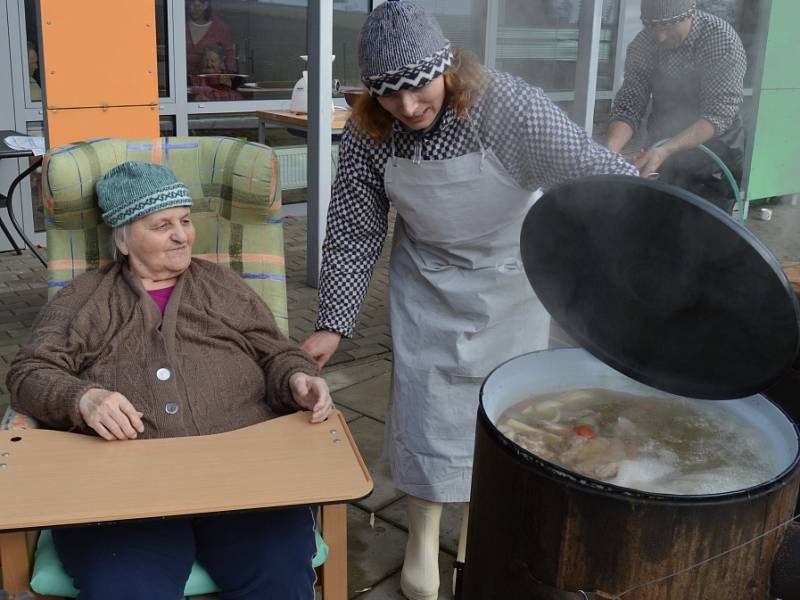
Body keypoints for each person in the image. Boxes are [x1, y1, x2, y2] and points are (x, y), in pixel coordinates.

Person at [300, 2, 637, 598]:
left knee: (508, 414)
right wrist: (333, 322)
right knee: (428, 411)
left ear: (448, 68)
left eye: (417, 88)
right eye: (388, 95)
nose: (407, 107)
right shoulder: (367, 130)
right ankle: (422, 538)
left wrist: (647, 224)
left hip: (513, 281)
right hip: (427, 281)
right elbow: (355, 228)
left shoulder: (507, 105)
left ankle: (488, 531)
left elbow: (586, 174)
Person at [7, 161, 333, 600]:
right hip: (123, 493)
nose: (182, 234)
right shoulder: (83, 299)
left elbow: (276, 352)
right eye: (162, 225)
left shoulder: (222, 285)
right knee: (127, 587)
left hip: (244, 479)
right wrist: (82, 398)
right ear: (123, 237)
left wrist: (297, 377)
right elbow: (28, 374)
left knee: (277, 573)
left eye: (184, 220)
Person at [606, 0, 747, 213]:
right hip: (662, 147)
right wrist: (609, 151)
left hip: (714, 154)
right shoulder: (644, 44)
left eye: (667, 28)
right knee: (657, 220)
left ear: (689, 14)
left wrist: (666, 149)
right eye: (653, 28)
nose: (660, 37)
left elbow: (718, 113)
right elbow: (630, 102)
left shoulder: (721, 40)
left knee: (703, 233)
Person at [186, 0, 235, 79]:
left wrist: (229, 80)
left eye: (196, 5)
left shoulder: (220, 28)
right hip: (181, 83)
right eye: (190, 5)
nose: (192, 9)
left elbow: (229, 58)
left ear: (206, 5)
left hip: (211, 85)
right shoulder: (180, 24)